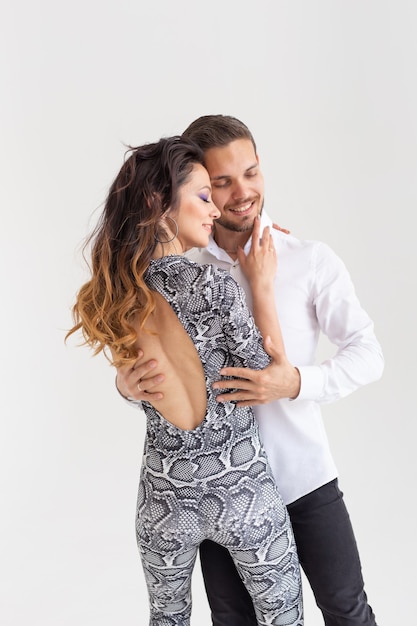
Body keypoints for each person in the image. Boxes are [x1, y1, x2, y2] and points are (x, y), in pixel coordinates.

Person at [116, 116, 384, 626]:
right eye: (221, 182)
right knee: (232, 619)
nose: (242, 193)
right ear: (199, 190)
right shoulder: (187, 269)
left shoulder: (307, 260)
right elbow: (163, 367)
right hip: (221, 490)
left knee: (347, 611)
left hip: (303, 478)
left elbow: (368, 353)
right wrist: (128, 385)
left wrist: (299, 382)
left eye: (252, 173)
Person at [66, 136, 303, 626]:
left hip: (162, 499)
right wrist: (259, 286)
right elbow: (265, 373)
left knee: (166, 620)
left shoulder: (114, 297)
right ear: (159, 205)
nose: (215, 208)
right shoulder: (214, 285)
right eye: (201, 195)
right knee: (285, 617)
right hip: (242, 492)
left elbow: (152, 388)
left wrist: (124, 390)